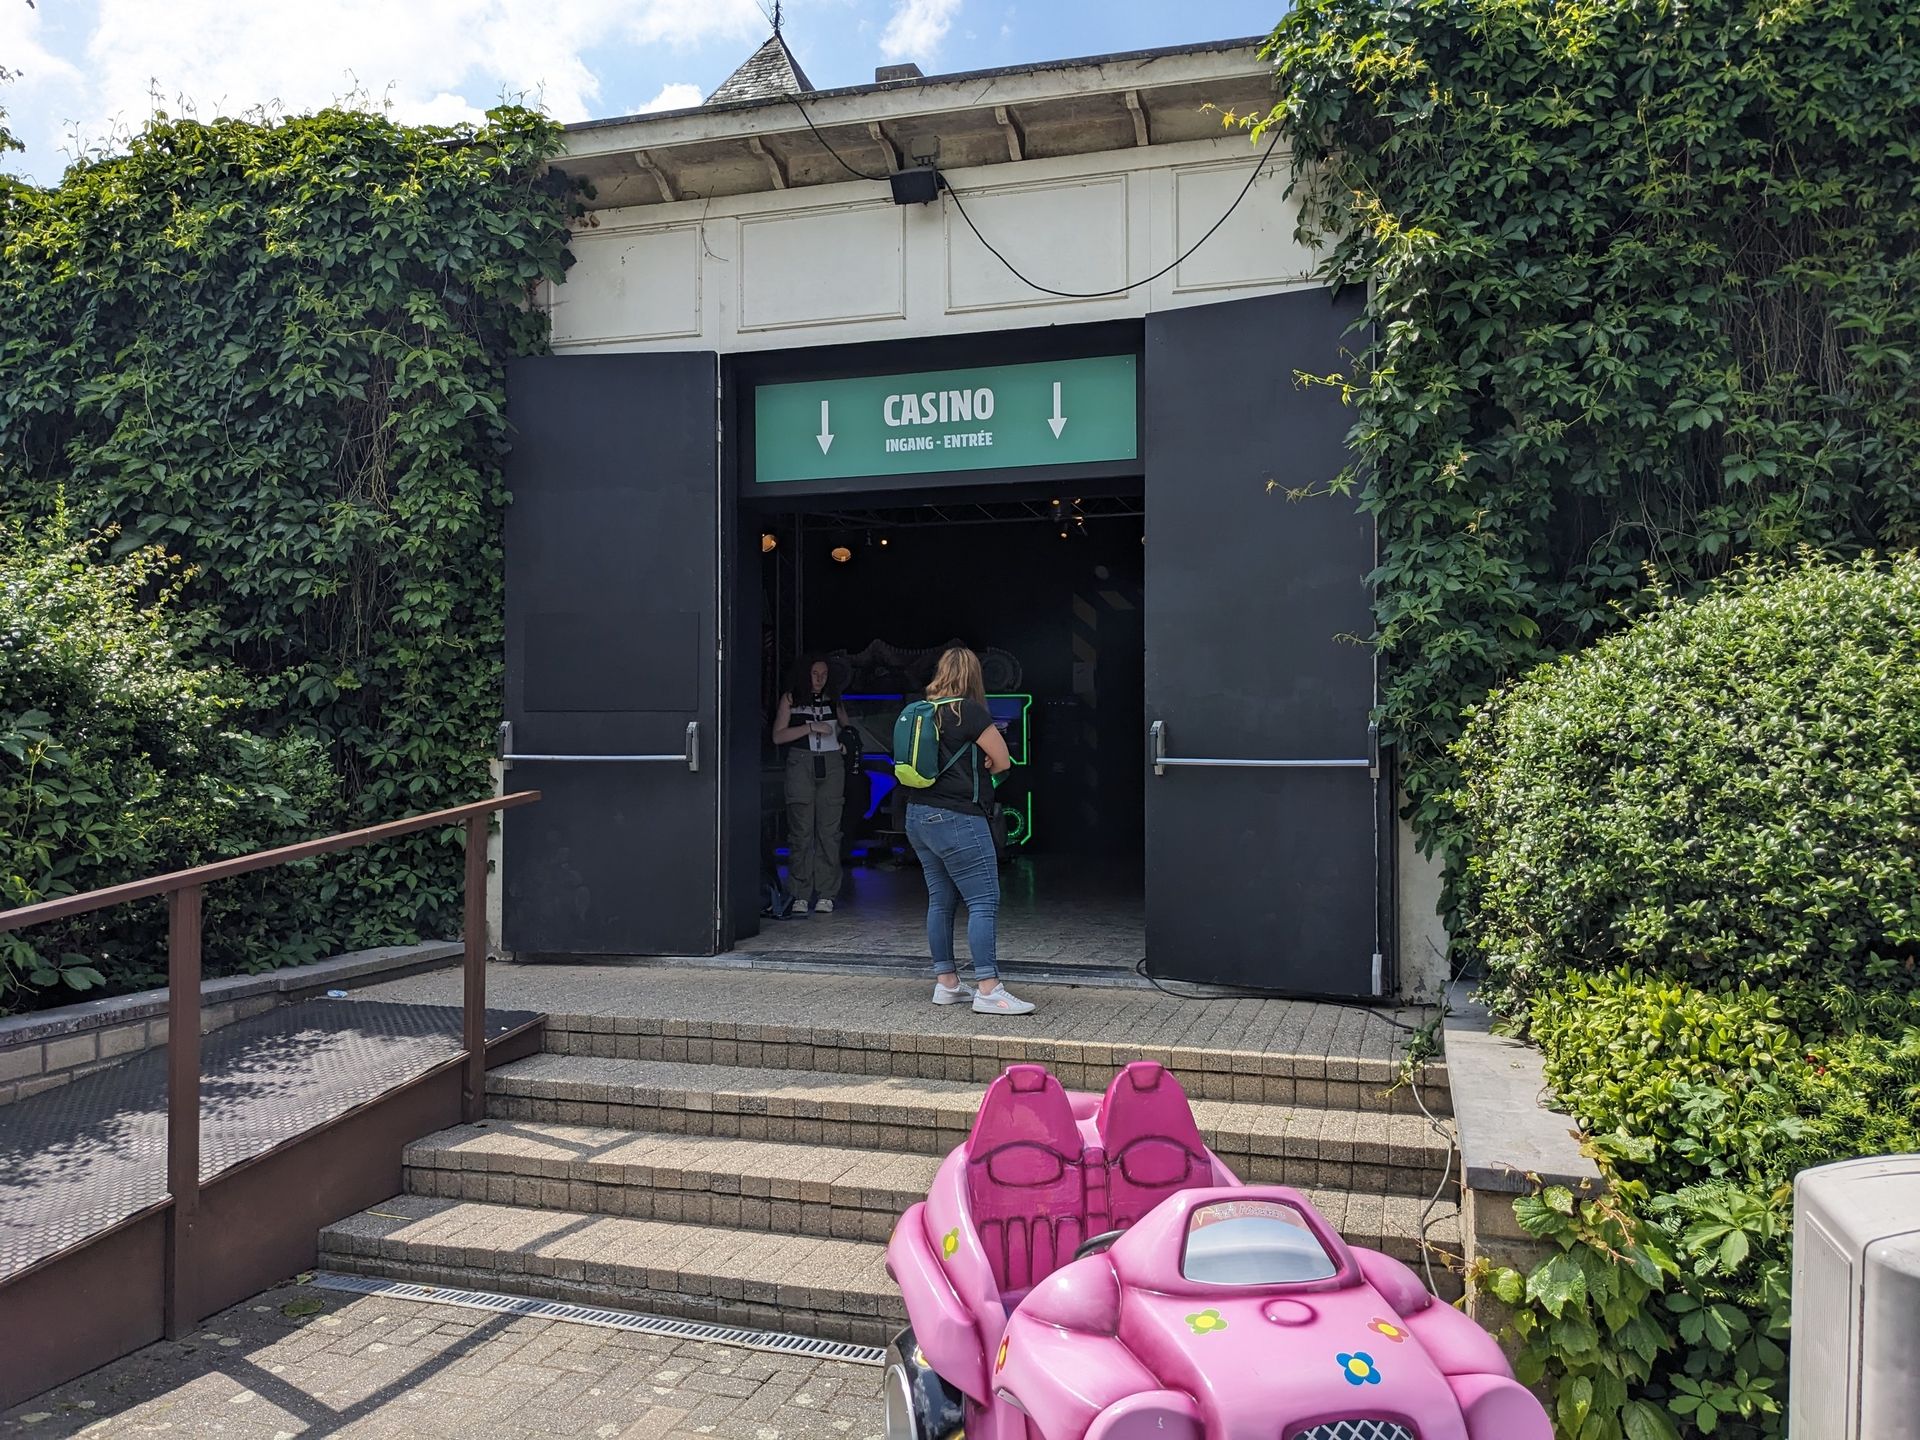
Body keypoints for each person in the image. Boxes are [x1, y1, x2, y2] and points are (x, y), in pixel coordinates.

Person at [904, 647, 1035, 1015]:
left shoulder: (923, 710)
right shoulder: (968, 711)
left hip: (918, 816)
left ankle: (946, 984)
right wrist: (987, 761)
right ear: (974, 675)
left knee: (940, 900)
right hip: (957, 818)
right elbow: (1003, 761)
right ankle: (989, 989)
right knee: (983, 899)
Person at [772, 655, 851, 913]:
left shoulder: (834, 699)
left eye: (824, 674)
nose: (819, 679)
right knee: (801, 832)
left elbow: (848, 730)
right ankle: (799, 893)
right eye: (815, 673)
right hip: (801, 762)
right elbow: (778, 736)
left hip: (831, 763)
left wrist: (845, 743)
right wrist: (810, 728)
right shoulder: (791, 698)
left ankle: (827, 893)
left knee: (829, 832)